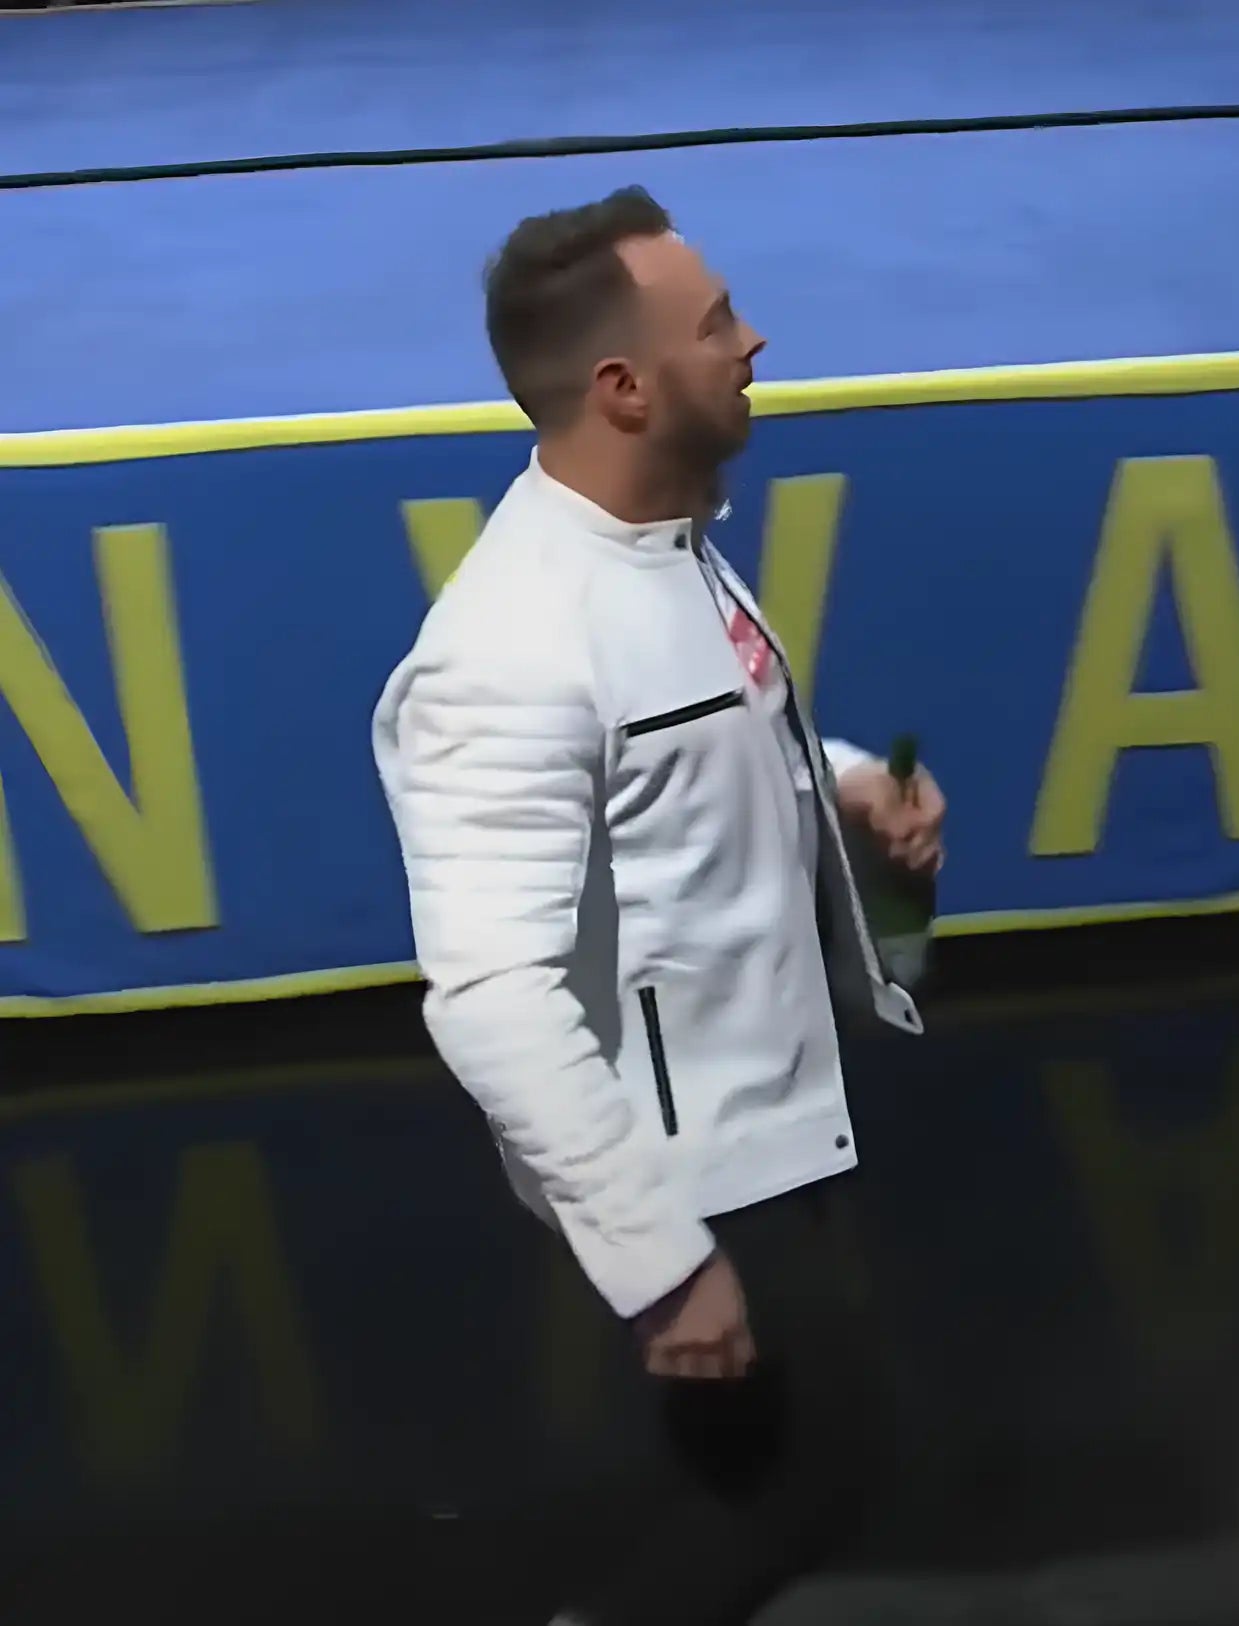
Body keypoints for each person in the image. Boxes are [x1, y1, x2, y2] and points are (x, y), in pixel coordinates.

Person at [372, 187, 946, 1626]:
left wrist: (847, 782)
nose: (754, 342)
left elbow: (700, 743)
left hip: (771, 1121)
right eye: (716, 324)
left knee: (771, 1483)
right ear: (624, 389)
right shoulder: (506, 654)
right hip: (694, 1174)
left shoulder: (666, 537)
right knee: (800, 1484)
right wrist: (663, 1263)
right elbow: (490, 997)